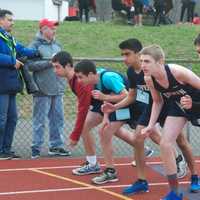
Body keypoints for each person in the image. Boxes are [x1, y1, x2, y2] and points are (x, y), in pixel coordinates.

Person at [101, 39, 195, 195]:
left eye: (127, 54)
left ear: (138, 54)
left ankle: (192, 173)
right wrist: (115, 107)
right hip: (151, 107)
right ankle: (142, 181)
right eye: (122, 55)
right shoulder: (133, 72)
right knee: (139, 138)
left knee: (181, 141)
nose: (124, 58)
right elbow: (133, 95)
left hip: (171, 104)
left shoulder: (166, 71)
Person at [140, 44, 200, 200]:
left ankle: (194, 175)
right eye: (141, 61)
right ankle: (175, 192)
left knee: (182, 144)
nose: (143, 65)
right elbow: (157, 102)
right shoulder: (149, 78)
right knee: (165, 144)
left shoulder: (177, 72)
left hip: (197, 102)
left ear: (160, 61)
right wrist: (150, 125)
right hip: (179, 105)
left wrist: (194, 105)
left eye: (147, 61)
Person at [27, 19, 71, 159]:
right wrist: (48, 63)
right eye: (52, 28)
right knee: (39, 120)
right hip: (42, 88)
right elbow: (29, 65)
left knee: (58, 119)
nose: (54, 30)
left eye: (54, 28)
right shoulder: (34, 46)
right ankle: (36, 147)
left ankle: (56, 146)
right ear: (43, 29)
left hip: (57, 88)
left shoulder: (58, 45)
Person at [0, 9, 40, 160]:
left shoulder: (9, 37)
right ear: (1, 20)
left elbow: (21, 49)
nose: (12, 22)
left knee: (12, 118)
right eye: (9, 20)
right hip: (1, 85)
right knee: (1, 119)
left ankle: (6, 149)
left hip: (11, 85)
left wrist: (36, 52)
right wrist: (12, 61)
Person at [51, 51, 93, 147]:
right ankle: (92, 161)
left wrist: (75, 136)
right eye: (53, 67)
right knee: (89, 128)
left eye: (57, 67)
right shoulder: (72, 80)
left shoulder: (79, 82)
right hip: (103, 103)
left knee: (105, 131)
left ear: (68, 65)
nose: (54, 70)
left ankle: (95, 161)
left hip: (115, 99)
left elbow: (83, 109)